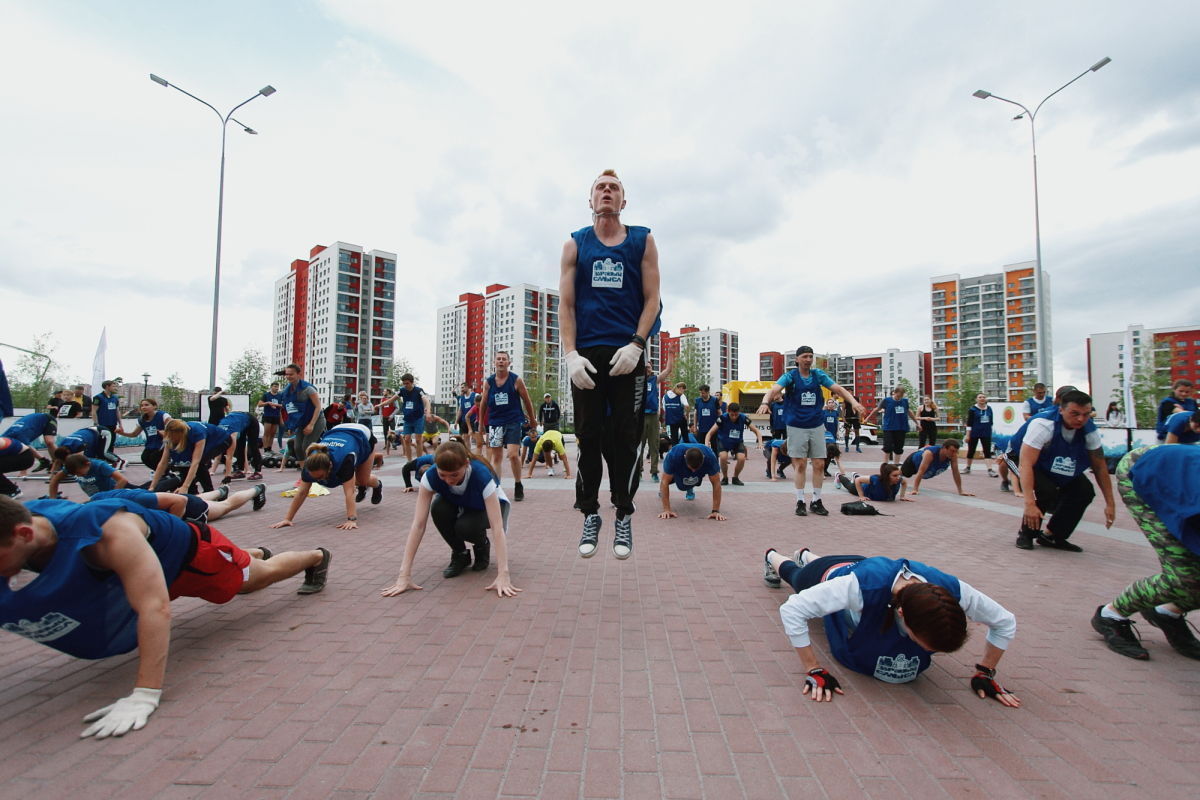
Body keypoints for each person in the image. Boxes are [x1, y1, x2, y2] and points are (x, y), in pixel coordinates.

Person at [0, 494, 330, 739]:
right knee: (237, 569)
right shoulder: (28, 520)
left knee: (257, 579)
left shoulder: (108, 534)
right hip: (145, 568)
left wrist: (145, 694)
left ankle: (315, 557)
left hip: (193, 561)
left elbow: (155, 608)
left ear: (24, 535)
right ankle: (246, 555)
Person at [760, 546, 1020, 707]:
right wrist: (813, 668)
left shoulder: (955, 591)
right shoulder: (859, 589)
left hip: (862, 564)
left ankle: (806, 553)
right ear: (903, 614)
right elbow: (792, 609)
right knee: (794, 574)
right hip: (825, 574)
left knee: (843, 569)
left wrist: (986, 671)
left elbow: (1005, 621)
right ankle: (774, 555)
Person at [560, 169, 661, 560]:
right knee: (587, 435)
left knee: (626, 435)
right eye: (600, 188)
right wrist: (570, 354)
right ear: (590, 201)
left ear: (624, 201)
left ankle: (624, 511)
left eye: (613, 188)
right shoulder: (574, 244)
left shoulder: (642, 240)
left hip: (626, 352)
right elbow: (565, 305)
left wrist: (638, 344)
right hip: (587, 352)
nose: (607, 192)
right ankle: (590, 512)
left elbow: (652, 299)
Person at [1091, 445, 1200, 660]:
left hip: (1181, 483)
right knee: (1184, 576)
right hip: (1141, 470)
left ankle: (1167, 612)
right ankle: (1111, 615)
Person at [382, 441, 520, 595]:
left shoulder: (481, 475)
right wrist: (404, 575)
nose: (448, 480)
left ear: (466, 464)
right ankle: (460, 554)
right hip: (463, 503)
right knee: (438, 507)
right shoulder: (430, 476)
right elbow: (418, 525)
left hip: (489, 509)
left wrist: (503, 575)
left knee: (465, 526)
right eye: (443, 475)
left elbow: (497, 527)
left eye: (454, 475)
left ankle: (482, 545)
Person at [756, 347, 864, 518]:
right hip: (796, 425)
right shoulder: (790, 376)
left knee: (819, 464)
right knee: (800, 465)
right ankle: (800, 501)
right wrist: (765, 402)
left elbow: (839, 389)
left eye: (810, 356)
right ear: (797, 359)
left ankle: (816, 500)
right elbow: (774, 389)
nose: (808, 359)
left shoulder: (818, 375)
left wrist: (853, 402)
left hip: (816, 425)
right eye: (804, 356)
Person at [1010, 389, 1116, 552]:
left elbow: (1100, 466)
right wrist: (1029, 504)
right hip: (1019, 457)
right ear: (1061, 409)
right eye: (1075, 413)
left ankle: (1053, 536)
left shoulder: (1090, 430)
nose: (1081, 419)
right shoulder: (1043, 424)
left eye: (1086, 414)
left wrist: (1110, 503)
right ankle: (1026, 534)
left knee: (1084, 491)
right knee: (1046, 490)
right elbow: (1026, 464)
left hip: (1051, 460)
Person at [270, 423, 382, 531]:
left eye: (320, 477)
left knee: (362, 480)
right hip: (338, 432)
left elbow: (349, 491)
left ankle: (377, 485)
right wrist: (287, 519)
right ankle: (362, 487)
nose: (319, 481)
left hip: (361, 435)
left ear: (330, 466)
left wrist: (351, 519)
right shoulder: (310, 464)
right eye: (315, 478)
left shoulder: (344, 460)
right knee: (351, 479)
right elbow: (302, 492)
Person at [479, 352, 536, 502]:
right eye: (498, 359)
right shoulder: (489, 382)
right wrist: (480, 424)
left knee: (512, 454)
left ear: (508, 363)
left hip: (513, 420)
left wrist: (533, 420)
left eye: (504, 359)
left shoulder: (516, 380)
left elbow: (527, 400)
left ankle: (518, 484)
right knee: (496, 456)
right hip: (495, 422)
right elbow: (483, 403)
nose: (501, 361)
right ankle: (496, 487)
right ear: (494, 362)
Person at [91, 484, 268, 523]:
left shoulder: (137, 500)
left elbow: (180, 500)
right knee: (198, 497)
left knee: (226, 506)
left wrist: (172, 524)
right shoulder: (97, 499)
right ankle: (220, 491)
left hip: (188, 507)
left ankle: (256, 490)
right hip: (169, 500)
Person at [150, 420, 231, 495]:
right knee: (182, 463)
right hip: (198, 439)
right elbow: (163, 463)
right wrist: (152, 487)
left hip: (221, 440)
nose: (172, 440)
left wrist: (185, 486)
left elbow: (195, 462)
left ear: (181, 435)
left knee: (199, 463)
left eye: (174, 439)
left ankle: (210, 491)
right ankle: (192, 492)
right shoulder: (170, 438)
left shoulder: (197, 433)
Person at [657, 443, 725, 520]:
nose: (693, 471)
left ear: (703, 457)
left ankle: (690, 487)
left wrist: (715, 511)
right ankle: (662, 491)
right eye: (691, 468)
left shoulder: (710, 457)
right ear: (685, 457)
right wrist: (666, 510)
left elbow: (716, 483)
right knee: (676, 484)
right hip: (679, 471)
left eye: (696, 469)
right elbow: (665, 481)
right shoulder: (674, 455)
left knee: (691, 481)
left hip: (697, 475)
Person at [704, 402, 762, 486]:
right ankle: (725, 478)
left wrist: (760, 443)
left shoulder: (743, 418)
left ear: (739, 412)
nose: (734, 417)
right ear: (728, 411)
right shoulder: (722, 418)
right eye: (732, 415)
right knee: (723, 457)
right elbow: (709, 433)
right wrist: (706, 445)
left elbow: (757, 431)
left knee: (742, 458)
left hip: (737, 442)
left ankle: (735, 477)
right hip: (723, 441)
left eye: (736, 415)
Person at [278, 364, 325, 462]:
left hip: (316, 420)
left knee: (307, 446)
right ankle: (304, 472)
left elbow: (318, 407)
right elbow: (289, 409)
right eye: (286, 374)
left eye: (291, 374)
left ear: (298, 374)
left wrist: (311, 425)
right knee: (298, 448)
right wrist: (291, 426)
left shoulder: (308, 389)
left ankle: (316, 468)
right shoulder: (287, 391)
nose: (288, 376)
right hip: (301, 422)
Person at [639, 356, 673, 484]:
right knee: (639, 446)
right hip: (640, 416)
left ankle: (654, 472)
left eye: (649, 366)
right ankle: (638, 472)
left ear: (652, 369)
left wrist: (670, 354)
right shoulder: (637, 380)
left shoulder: (655, 379)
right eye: (645, 367)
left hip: (653, 416)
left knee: (654, 445)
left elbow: (668, 370)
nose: (647, 368)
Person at [863, 386, 918, 465]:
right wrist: (867, 418)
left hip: (901, 427)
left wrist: (917, 423)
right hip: (889, 427)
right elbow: (876, 409)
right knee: (888, 446)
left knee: (899, 447)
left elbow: (909, 412)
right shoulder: (886, 401)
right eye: (898, 396)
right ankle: (885, 464)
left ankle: (896, 464)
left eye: (901, 396)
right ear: (894, 393)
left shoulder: (905, 401)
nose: (899, 398)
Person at [903, 439, 972, 498]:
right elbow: (921, 471)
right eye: (952, 451)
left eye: (956, 451)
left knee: (928, 472)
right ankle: (895, 470)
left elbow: (956, 472)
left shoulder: (953, 456)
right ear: (944, 448)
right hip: (912, 462)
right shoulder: (929, 454)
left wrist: (960, 491)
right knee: (904, 474)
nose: (954, 453)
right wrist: (915, 489)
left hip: (929, 468)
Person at [117, 399, 171, 471]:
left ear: (154, 406)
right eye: (142, 406)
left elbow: (174, 427)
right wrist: (122, 433)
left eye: (146, 405)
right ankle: (163, 473)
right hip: (151, 445)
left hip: (163, 444)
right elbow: (134, 434)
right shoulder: (142, 420)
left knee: (154, 457)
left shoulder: (163, 415)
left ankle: (167, 473)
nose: (144, 407)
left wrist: (166, 433)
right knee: (144, 458)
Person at [52, 454, 130, 497]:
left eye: (80, 473)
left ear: (88, 464)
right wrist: (53, 499)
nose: (78, 475)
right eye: (75, 474)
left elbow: (122, 480)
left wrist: (111, 497)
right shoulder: (71, 467)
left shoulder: (100, 465)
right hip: (96, 498)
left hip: (114, 493)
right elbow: (54, 481)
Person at [217, 411, 263, 482]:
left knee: (253, 446)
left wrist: (227, 476)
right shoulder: (218, 429)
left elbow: (229, 456)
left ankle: (258, 472)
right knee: (240, 446)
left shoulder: (232, 433)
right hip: (240, 421)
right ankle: (240, 471)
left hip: (251, 421)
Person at [836, 462, 914, 503]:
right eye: (894, 475)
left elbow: (904, 483)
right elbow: (858, 481)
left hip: (866, 482)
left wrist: (902, 496)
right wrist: (861, 496)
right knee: (848, 485)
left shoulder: (899, 480)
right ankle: (839, 476)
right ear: (887, 476)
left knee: (859, 478)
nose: (898, 477)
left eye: (899, 475)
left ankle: (855, 475)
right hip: (861, 488)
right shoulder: (876, 479)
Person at [964, 394, 997, 477]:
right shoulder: (972, 409)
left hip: (986, 433)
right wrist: (968, 435)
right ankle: (968, 467)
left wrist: (990, 433)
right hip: (974, 433)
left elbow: (991, 422)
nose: (982, 399)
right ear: (976, 399)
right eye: (980, 397)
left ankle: (990, 469)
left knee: (987, 451)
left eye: (983, 397)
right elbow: (969, 423)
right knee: (971, 450)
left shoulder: (989, 409)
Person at [90, 380, 122, 463]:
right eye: (113, 386)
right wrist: (96, 423)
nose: (115, 388)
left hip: (112, 424)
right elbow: (94, 411)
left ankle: (110, 460)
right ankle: (101, 460)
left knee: (111, 443)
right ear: (107, 386)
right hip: (102, 424)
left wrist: (120, 424)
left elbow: (117, 411)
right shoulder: (98, 397)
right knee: (102, 443)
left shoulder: (115, 398)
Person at [257, 382, 285, 454]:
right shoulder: (266, 395)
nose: (276, 388)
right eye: (275, 386)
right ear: (271, 387)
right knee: (267, 433)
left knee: (272, 433)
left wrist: (276, 405)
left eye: (277, 387)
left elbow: (282, 406)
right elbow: (259, 404)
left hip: (276, 416)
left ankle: (269, 448)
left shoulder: (280, 395)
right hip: (268, 416)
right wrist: (268, 403)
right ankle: (265, 449)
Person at [662, 381, 689, 446]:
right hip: (681, 418)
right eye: (683, 390)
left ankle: (675, 454)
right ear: (680, 388)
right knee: (685, 438)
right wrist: (686, 414)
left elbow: (664, 408)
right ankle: (687, 453)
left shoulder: (665, 396)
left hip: (671, 419)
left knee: (674, 439)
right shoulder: (681, 396)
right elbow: (687, 406)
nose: (683, 392)